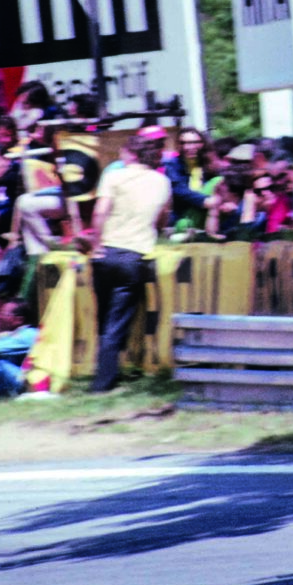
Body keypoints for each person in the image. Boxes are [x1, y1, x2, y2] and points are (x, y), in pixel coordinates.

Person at [85, 132, 171, 393]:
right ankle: (108, 375)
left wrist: (96, 244)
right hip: (135, 256)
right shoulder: (162, 181)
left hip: (107, 252)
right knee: (118, 319)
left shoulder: (113, 176)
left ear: (130, 153)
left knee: (104, 317)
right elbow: (162, 217)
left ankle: (103, 379)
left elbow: (100, 212)